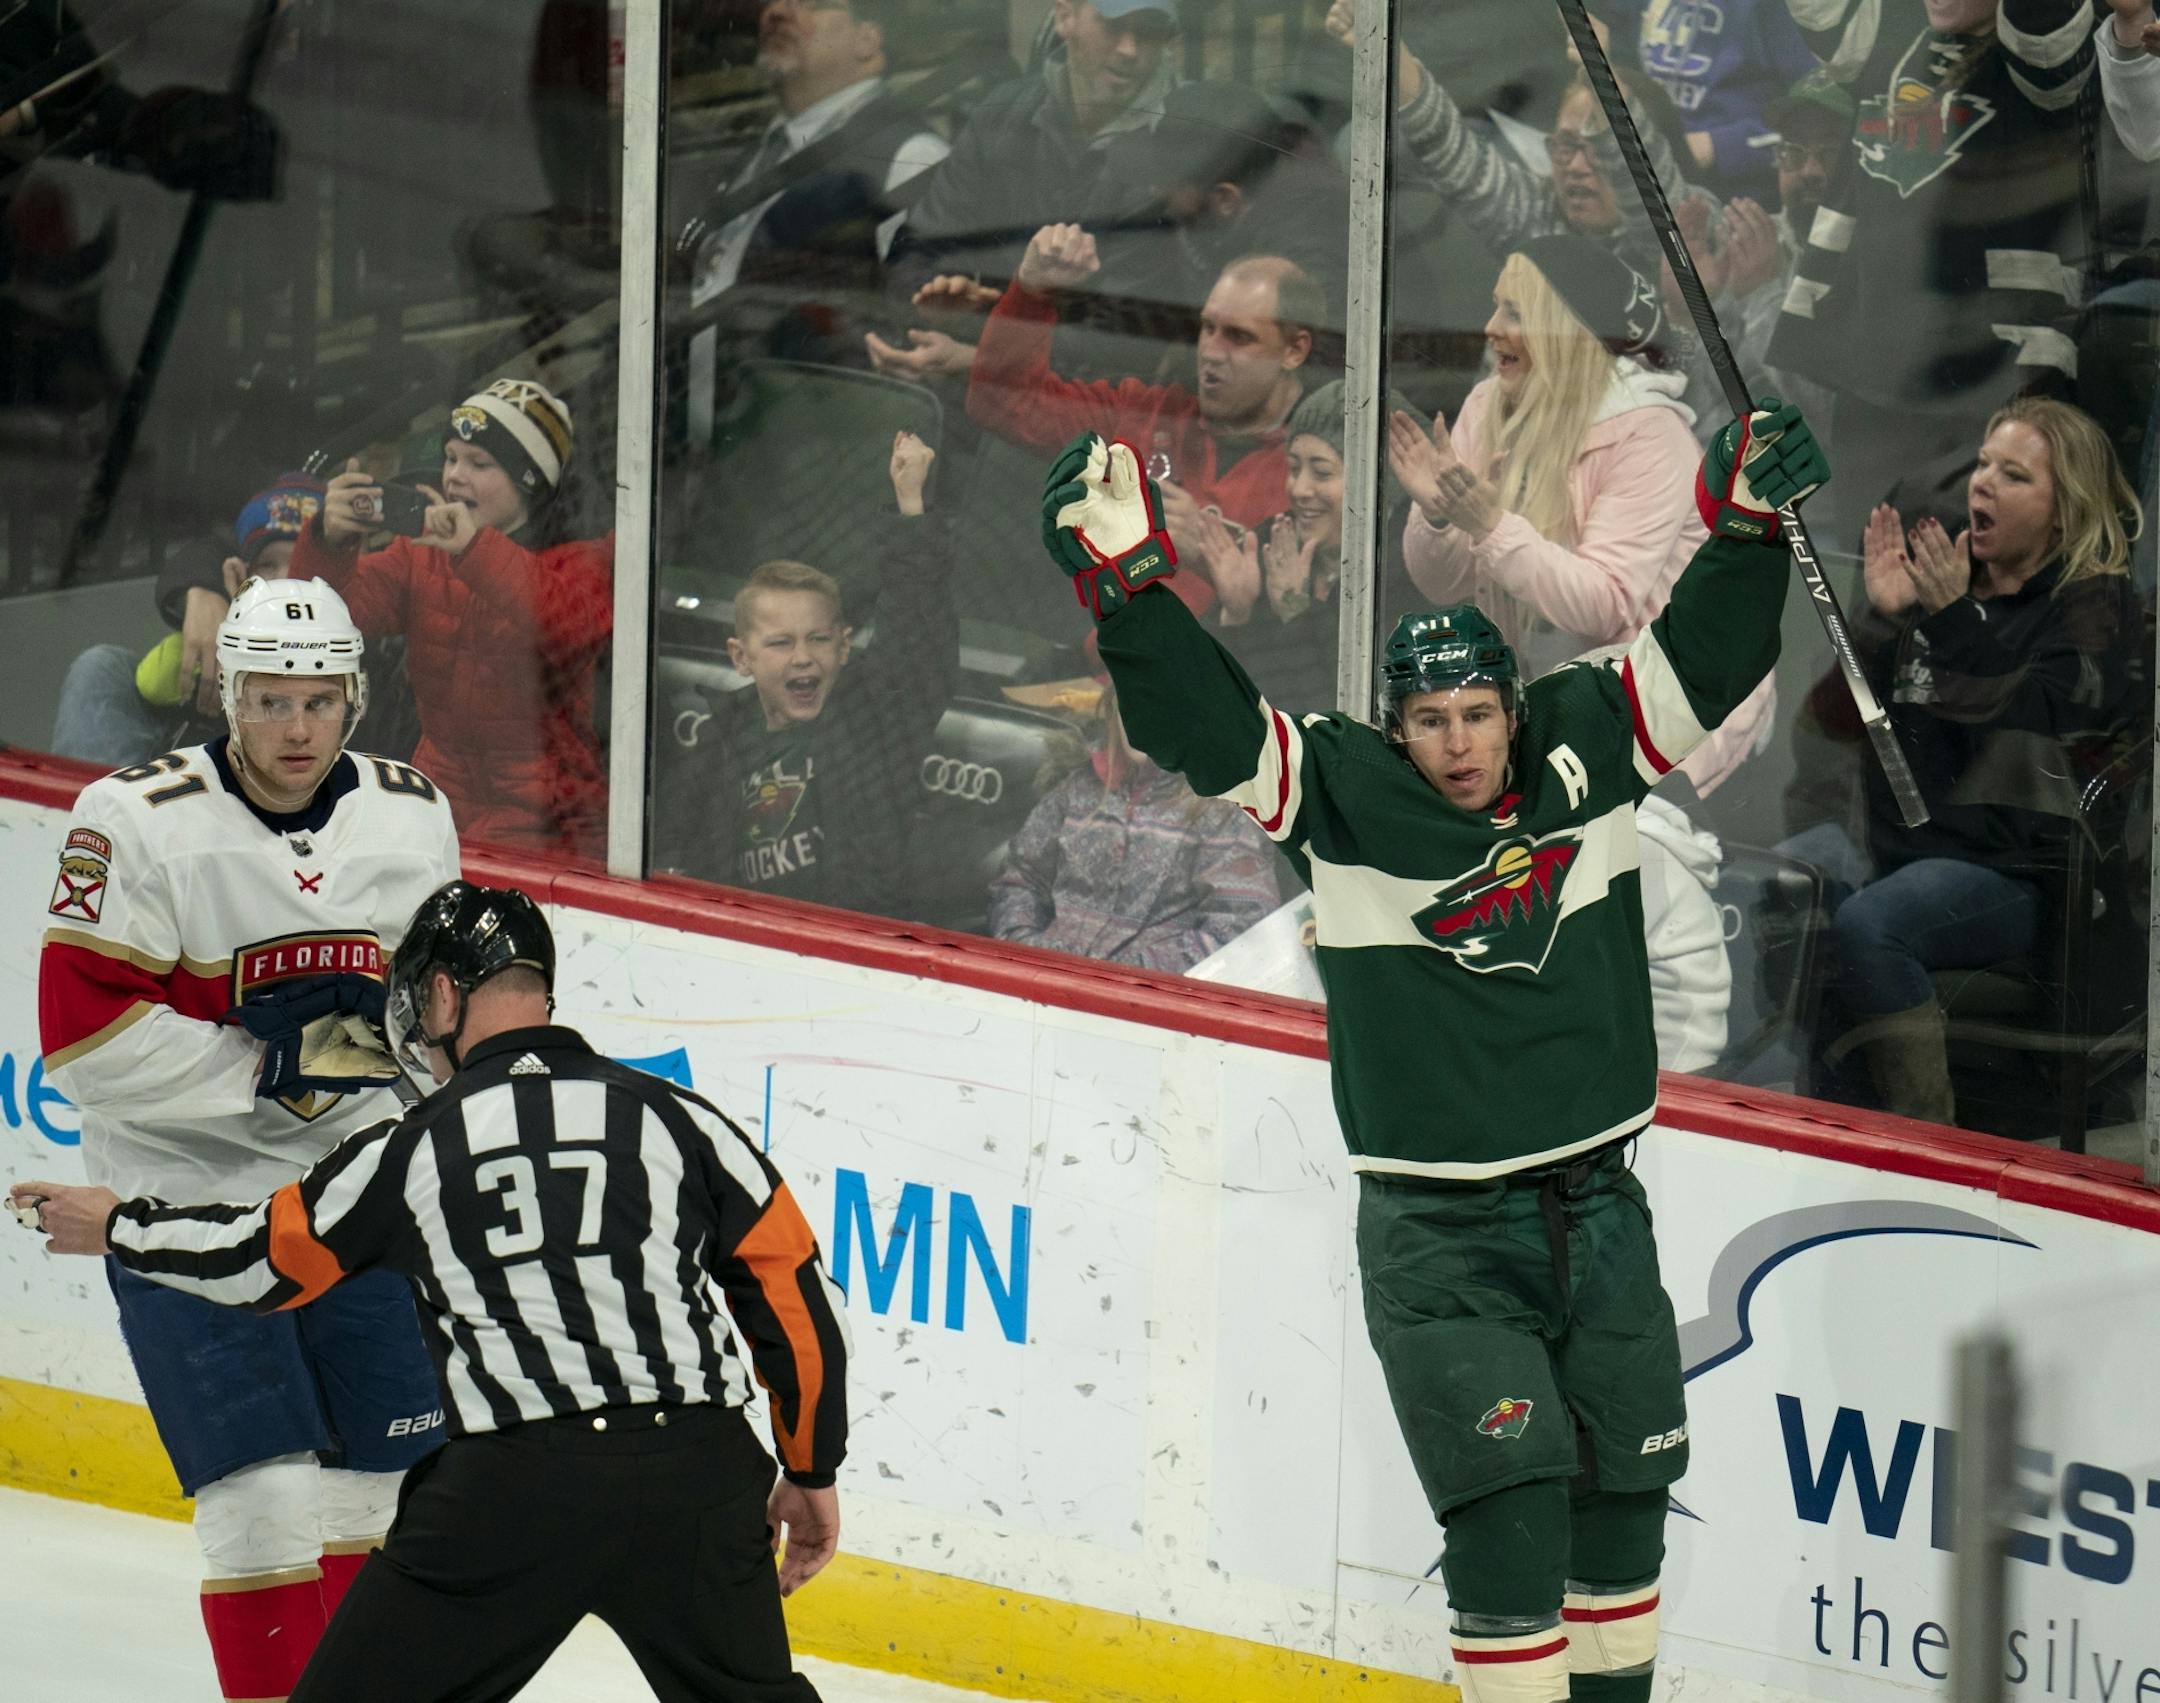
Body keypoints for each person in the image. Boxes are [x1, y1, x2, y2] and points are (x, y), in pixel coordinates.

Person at [1034, 400, 1829, 1703]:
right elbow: (1211, 723)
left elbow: (1705, 651)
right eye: (1431, 721)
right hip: (1443, 1241)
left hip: (1603, 1210)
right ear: (1393, 726)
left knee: (1625, 1518)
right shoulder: (1344, 791)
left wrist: (1743, 529)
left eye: (1478, 713)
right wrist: (1129, 592)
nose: (1458, 744)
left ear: (1513, 706)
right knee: (1510, 1540)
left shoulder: (1589, 734)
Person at [13, 880, 849, 1703]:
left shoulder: (415, 1143)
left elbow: (258, 1262)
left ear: (446, 993)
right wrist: (811, 1467)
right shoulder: (686, 1120)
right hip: (696, 1477)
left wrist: (121, 1224)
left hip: (513, 1490)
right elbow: (802, 1307)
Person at [34, 579, 461, 1703]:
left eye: (319, 699)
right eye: (269, 698)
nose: (295, 726)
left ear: (354, 697)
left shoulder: (414, 813)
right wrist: (273, 1066)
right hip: (186, 1202)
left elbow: (434, 1013)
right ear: (227, 690)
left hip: (349, 1194)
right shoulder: (131, 817)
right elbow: (83, 1038)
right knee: (261, 1498)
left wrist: (384, 1060)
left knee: (384, 1486)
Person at [1791, 398, 2145, 1125]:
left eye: (2013, 475)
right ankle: (1821, 1133)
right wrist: (1885, 620)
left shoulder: (2093, 606)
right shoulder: (1944, 584)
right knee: (1780, 887)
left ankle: (1928, 1135)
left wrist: (1950, 619)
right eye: (1983, 463)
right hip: (1902, 848)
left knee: (1870, 925)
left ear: (2062, 511)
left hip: (2025, 875)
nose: (1981, 483)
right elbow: (1833, 726)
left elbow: (2036, 734)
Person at [1391, 234, 1774, 796]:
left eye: (1516, 312)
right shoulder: (1488, 404)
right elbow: (1440, 582)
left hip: (1669, 710)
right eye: (1495, 305)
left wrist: (1489, 526)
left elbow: (1602, 605)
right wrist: (1439, 515)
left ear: (1568, 330)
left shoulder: (1649, 436)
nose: (1491, 327)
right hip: (1549, 702)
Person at [300, 377, 614, 861]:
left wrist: (474, 549)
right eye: (450, 458)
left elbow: (567, 626)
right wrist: (328, 541)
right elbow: (331, 618)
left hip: (550, 819)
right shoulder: (424, 551)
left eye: (479, 463)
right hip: (438, 799)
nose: (454, 476)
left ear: (529, 480)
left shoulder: (583, 557)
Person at [654, 430, 957, 918]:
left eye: (818, 639)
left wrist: (910, 509)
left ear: (843, 646)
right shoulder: (720, 740)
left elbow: (918, 643)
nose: (802, 658)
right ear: (740, 657)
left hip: (849, 951)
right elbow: (678, 857)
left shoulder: (875, 721)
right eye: (780, 643)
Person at [968, 224, 1321, 556]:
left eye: (1239, 337)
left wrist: (1210, 554)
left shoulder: (1333, 466)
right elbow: (1003, 403)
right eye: (1208, 328)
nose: (1211, 352)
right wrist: (1031, 293)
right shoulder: (1145, 415)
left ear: (1294, 351)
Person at [677, 0, 949, 422]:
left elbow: (914, 340)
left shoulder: (908, 155)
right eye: (773, 1)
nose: (777, 12)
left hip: (816, 447)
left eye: (811, 2)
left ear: (868, 40)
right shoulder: (757, 154)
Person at [49, 476, 424, 769]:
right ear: (237, 576)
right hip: (186, 828)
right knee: (101, 667)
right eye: (267, 565)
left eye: (302, 564)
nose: (286, 581)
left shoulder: (374, 669)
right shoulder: (223, 645)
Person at [883, 0, 1181, 316]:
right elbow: (922, 244)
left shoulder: (1176, 141)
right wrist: (932, 298)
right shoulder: (1004, 114)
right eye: (1113, 26)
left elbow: (1133, 324)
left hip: (1070, 359)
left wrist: (983, 344)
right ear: (1065, 17)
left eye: (1149, 32)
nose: (1129, 50)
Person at [988, 658, 1279, 973]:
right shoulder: (1077, 789)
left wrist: (1131, 976)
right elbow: (1020, 879)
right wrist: (1026, 949)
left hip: (1145, 1005)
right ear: (1114, 708)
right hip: (1042, 985)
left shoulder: (1220, 811)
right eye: (1132, 702)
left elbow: (1242, 928)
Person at [1625, 0, 1819, 203]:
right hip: (1654, 171)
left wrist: (1716, 146)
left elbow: (1822, 117)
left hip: (1743, 198)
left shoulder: (1777, 8)